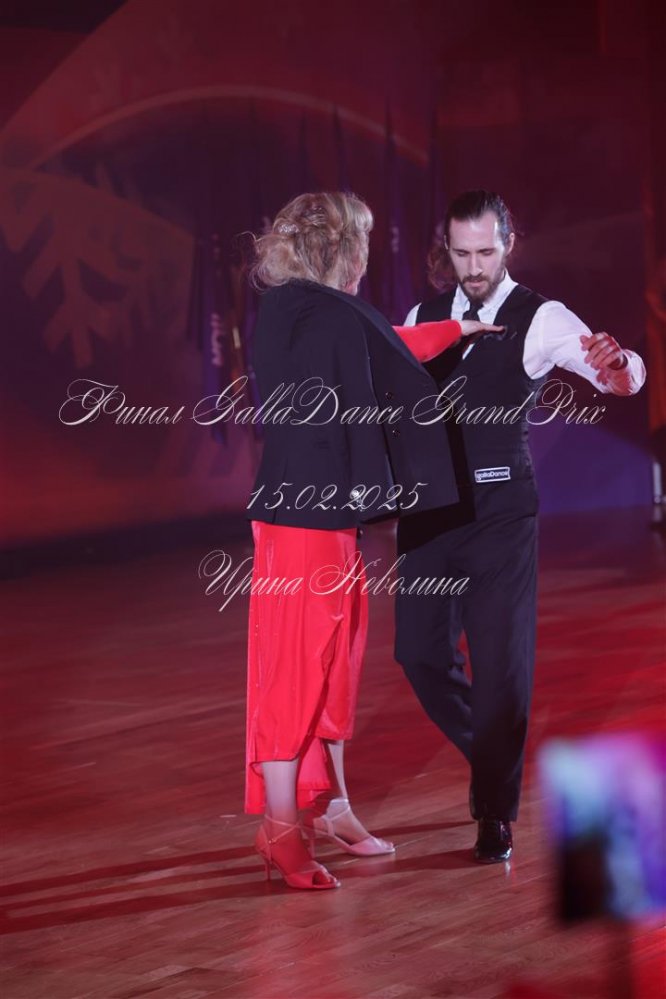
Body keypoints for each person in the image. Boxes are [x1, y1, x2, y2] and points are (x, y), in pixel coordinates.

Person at [245, 191, 503, 890]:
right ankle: (281, 827)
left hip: (319, 519)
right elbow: (388, 347)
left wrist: (455, 330)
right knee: (297, 675)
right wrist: (456, 331)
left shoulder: (300, 309)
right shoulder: (320, 313)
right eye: (360, 244)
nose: (365, 260)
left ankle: (329, 807)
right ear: (342, 250)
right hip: (303, 525)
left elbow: (382, 346)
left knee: (333, 669)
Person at [396, 189, 646, 864]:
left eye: (486, 251)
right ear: (447, 250)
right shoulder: (421, 315)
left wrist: (618, 367)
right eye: (462, 253)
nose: (474, 266)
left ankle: (494, 808)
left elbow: (619, 375)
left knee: (501, 666)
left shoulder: (541, 317)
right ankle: (496, 756)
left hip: (501, 514)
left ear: (508, 243)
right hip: (429, 514)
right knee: (418, 654)